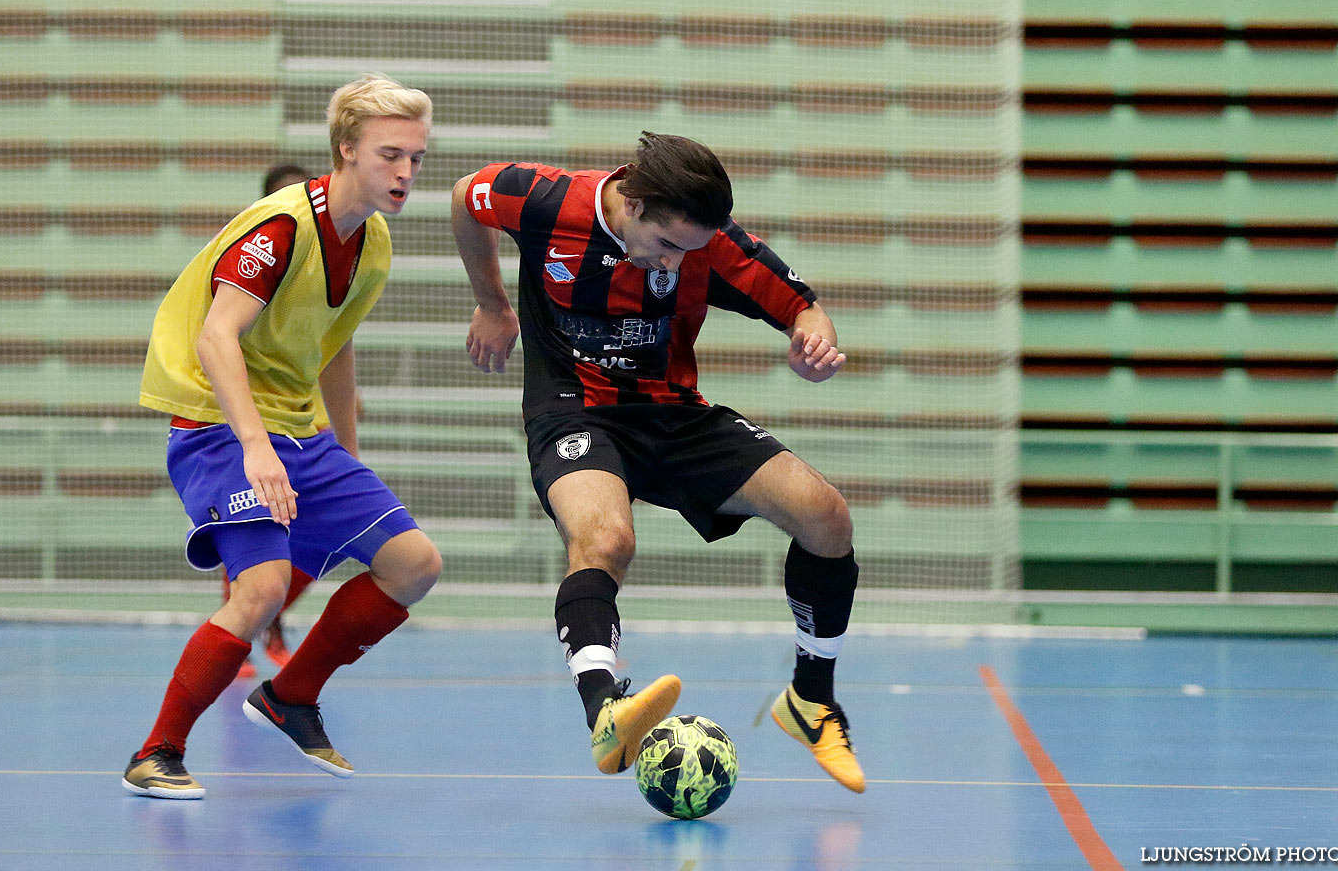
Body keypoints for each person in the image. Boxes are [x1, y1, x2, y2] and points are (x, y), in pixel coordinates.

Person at [450, 133, 865, 793]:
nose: (678, 261)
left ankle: (811, 701)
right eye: (668, 244)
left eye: (692, 249)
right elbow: (465, 200)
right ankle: (606, 710)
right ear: (631, 203)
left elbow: (802, 307)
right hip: (573, 409)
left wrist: (814, 346)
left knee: (826, 516)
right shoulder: (545, 200)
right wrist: (495, 303)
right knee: (606, 539)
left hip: (672, 413)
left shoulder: (707, 243)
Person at [123, 74, 443, 799]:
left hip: (299, 429)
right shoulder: (281, 228)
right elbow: (215, 337)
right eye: (390, 154)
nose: (405, 172)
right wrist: (255, 447)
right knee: (262, 586)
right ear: (345, 150)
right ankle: (156, 752)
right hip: (216, 421)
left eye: (417, 158)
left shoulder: (373, 242)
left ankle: (289, 696)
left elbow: (334, 351)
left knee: (414, 564)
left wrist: (349, 461)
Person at [223, 162, 314, 680]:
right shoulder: (253, 256)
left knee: (315, 531)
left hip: (306, 409)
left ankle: (271, 615)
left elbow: (331, 338)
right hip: (252, 412)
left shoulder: (324, 258)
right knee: (249, 524)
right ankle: (246, 627)